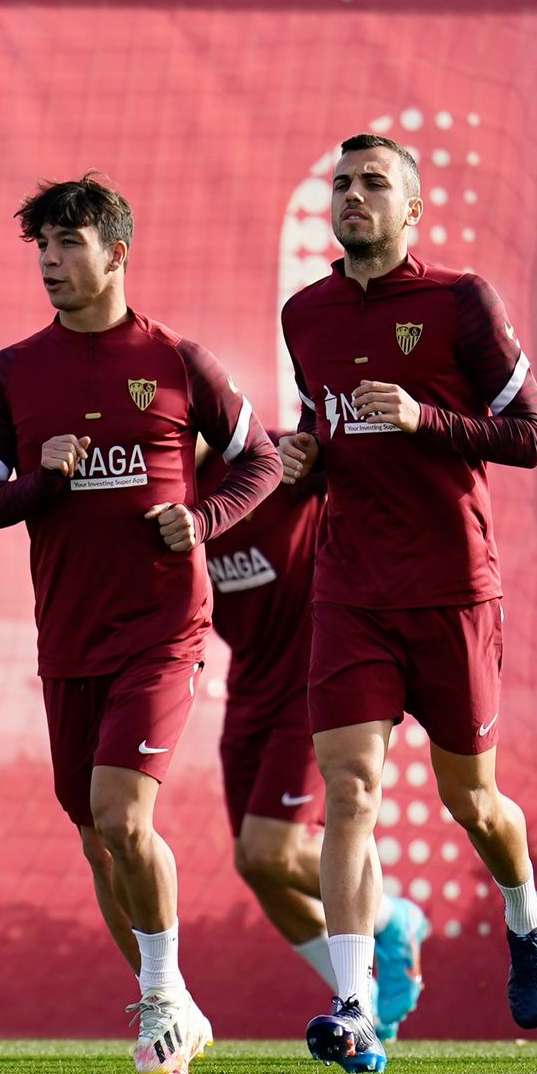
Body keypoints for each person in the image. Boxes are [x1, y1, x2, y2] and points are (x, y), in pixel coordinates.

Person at [0, 175, 281, 1074]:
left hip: (164, 626)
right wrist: (42, 482)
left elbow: (258, 461)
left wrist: (206, 519)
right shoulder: (15, 372)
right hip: (67, 636)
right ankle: (164, 998)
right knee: (96, 831)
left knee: (121, 813)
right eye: (42, 249)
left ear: (116, 252)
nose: (53, 264)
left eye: (69, 245)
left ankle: (164, 1001)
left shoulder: (179, 360)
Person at [280, 134, 537, 1074]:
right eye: (343, 185)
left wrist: (425, 419)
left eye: (375, 185)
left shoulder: (459, 301)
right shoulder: (304, 313)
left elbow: (530, 436)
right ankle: (354, 1003)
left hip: (452, 590)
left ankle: (527, 912)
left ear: (414, 209)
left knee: (470, 801)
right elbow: (325, 431)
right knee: (349, 793)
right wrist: (307, 461)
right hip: (351, 588)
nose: (353, 198)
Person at [198, 436, 430, 1040]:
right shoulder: (161, 487)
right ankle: (367, 1002)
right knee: (256, 863)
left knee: (274, 849)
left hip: (314, 681)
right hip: (249, 687)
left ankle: (390, 919)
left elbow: (373, 484)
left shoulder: (268, 457)